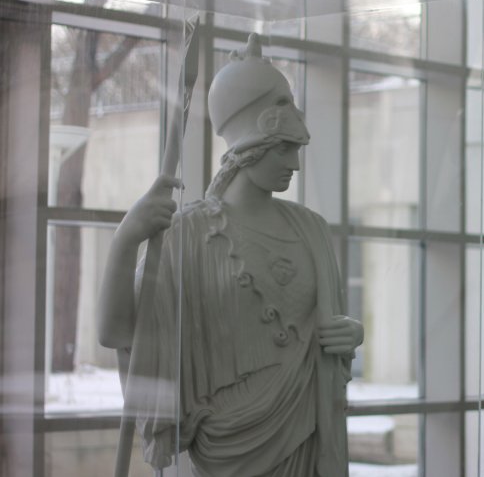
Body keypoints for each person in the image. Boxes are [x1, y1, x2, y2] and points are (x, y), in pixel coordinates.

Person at [97, 33, 362, 477]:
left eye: (297, 149)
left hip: (306, 437)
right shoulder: (189, 233)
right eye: (283, 148)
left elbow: (320, 328)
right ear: (248, 147)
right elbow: (118, 333)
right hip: (226, 446)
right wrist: (126, 239)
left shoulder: (311, 228)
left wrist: (348, 334)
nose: (295, 164)